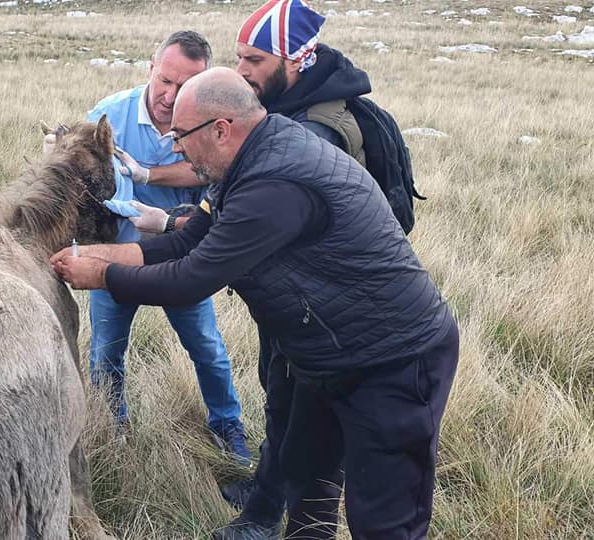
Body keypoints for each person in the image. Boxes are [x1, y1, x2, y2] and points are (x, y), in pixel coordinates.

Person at [49, 67, 459, 540]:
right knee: (307, 480)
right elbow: (186, 244)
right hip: (325, 356)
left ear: (221, 130)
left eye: (181, 136)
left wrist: (102, 275)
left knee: (386, 519)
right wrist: (98, 254)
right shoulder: (243, 163)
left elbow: (191, 279)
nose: (174, 147)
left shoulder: (274, 186)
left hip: (393, 361)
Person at [82, 30, 251, 466]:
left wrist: (149, 176)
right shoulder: (107, 117)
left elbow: (208, 172)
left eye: (185, 86)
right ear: (150, 69)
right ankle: (110, 430)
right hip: (116, 259)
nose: (170, 95)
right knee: (106, 353)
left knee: (207, 349)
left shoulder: (209, 121)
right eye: (165, 81)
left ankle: (227, 425)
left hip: (184, 259)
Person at [123, 0, 371, 237]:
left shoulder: (314, 131)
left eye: (254, 60)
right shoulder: (271, 102)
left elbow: (252, 222)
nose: (241, 70)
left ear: (295, 61)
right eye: (239, 58)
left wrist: (169, 223)